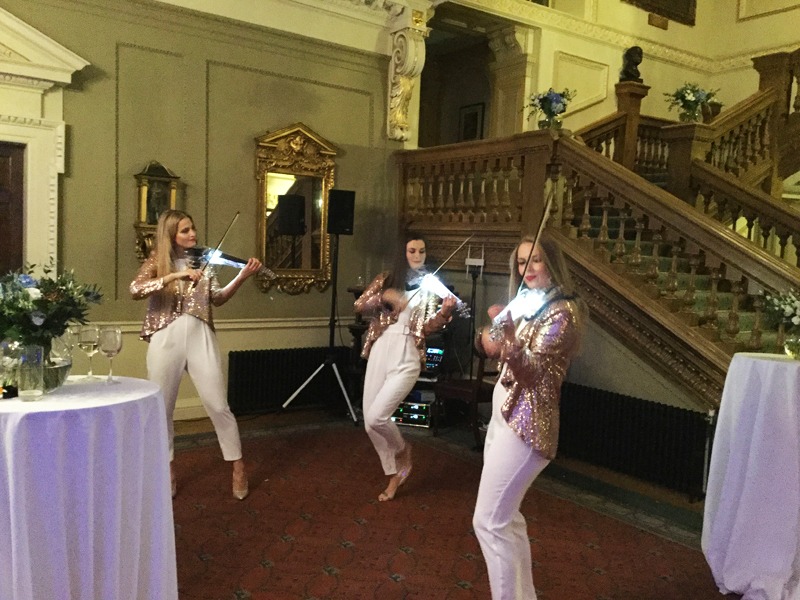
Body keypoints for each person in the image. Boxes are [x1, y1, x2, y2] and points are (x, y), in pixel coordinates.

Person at [473, 232, 586, 599]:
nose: (528, 268)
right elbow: (489, 344)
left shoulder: (563, 311)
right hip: (503, 416)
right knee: (508, 520)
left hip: (526, 425)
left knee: (489, 522)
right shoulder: (528, 301)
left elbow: (534, 373)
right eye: (522, 262)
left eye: (536, 259)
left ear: (551, 262)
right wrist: (491, 332)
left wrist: (507, 339)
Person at [130, 209, 262, 501]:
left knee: (218, 404)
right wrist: (175, 275)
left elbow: (218, 298)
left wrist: (242, 275)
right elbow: (136, 289)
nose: (193, 234)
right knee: (162, 409)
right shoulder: (157, 261)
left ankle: (238, 465)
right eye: (185, 230)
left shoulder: (203, 261)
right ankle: (168, 468)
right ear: (171, 234)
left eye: (193, 228)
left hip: (200, 336)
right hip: (166, 337)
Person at [355, 232, 457, 502]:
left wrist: (445, 313)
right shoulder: (387, 279)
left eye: (421, 251)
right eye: (412, 251)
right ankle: (394, 474)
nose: (417, 256)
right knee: (369, 424)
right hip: (381, 350)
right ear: (403, 253)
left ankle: (403, 450)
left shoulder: (429, 286)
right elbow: (359, 305)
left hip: (408, 354)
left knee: (377, 417)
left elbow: (429, 327)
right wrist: (384, 297)